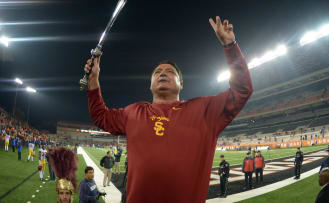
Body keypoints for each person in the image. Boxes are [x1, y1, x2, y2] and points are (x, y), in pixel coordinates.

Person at [84, 16, 253, 203]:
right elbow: (100, 116)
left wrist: (230, 46)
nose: (162, 73)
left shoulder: (204, 110)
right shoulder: (134, 112)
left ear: (181, 84)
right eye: (157, 72)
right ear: (150, 85)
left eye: (170, 72)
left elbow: (242, 90)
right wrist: (93, 80)